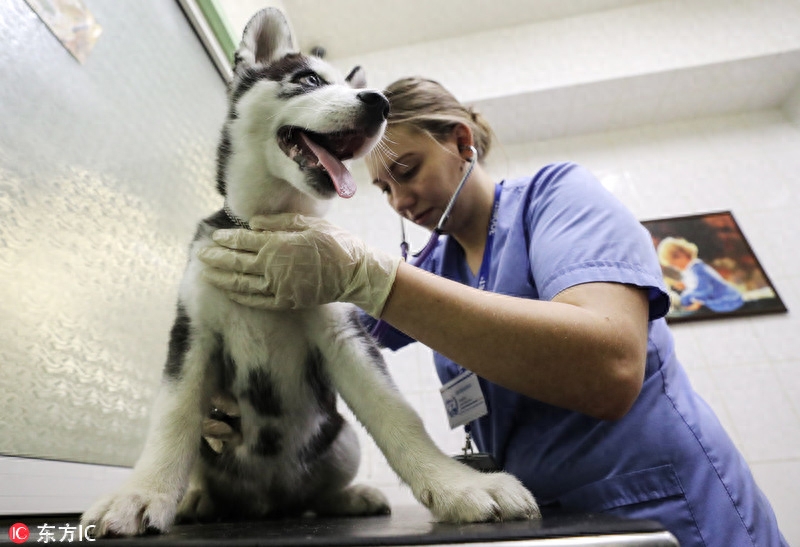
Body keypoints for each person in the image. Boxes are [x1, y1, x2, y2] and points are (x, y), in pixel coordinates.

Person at [198, 77, 787, 546]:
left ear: (460, 142)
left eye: (406, 171)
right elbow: (324, 341)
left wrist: (367, 274)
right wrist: (236, 395)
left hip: (662, 515)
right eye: (383, 189)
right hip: (543, 524)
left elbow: (609, 368)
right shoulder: (437, 268)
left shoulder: (558, 197)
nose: (401, 202)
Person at [657, 236, 744, 313]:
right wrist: (684, 285)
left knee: (685, 299)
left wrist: (697, 303)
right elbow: (694, 284)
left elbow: (704, 289)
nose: (675, 267)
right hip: (717, 297)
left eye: (673, 264)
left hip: (726, 300)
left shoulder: (698, 269)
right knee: (685, 298)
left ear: (681, 255)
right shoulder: (690, 270)